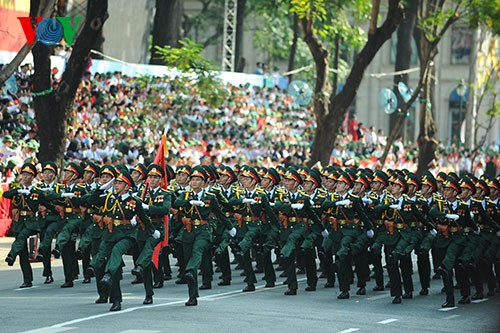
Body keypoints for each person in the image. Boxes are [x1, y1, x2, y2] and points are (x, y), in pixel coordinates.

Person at [88, 170, 158, 311]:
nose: (116, 185)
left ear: (127, 186)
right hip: (110, 234)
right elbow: (90, 200)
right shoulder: (109, 198)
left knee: (116, 251)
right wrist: (104, 186)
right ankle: (115, 299)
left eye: (119, 183)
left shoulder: (133, 202)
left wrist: (153, 232)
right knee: (100, 259)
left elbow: (143, 218)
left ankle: (107, 275)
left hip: (127, 235)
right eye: (116, 183)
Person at [172, 166, 236, 306]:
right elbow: (176, 203)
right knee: (189, 256)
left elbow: (219, 213)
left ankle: (189, 270)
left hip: (204, 229)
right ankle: (192, 296)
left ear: (203, 182)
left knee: (198, 250)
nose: (195, 182)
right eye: (193, 180)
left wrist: (230, 227)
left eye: (198, 180)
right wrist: (189, 202)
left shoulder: (210, 197)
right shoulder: (185, 195)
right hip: (189, 230)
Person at [131, 163, 172, 305]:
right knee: (147, 263)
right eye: (150, 177)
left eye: (156, 177)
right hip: (142, 229)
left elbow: (165, 210)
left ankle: (139, 266)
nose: (152, 180)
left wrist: (147, 207)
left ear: (160, 180)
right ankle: (148, 292)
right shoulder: (141, 192)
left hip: (157, 229)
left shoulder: (165, 194)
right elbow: (130, 205)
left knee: (148, 248)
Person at [3, 163, 39, 287]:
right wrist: (18, 190)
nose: (24, 177)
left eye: (28, 175)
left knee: (22, 237)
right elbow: (5, 195)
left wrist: (27, 194)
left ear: (32, 177)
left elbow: (38, 205)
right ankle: (27, 279)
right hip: (19, 222)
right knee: (22, 252)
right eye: (23, 174)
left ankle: (11, 255)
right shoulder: (17, 190)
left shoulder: (35, 190)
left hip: (31, 222)